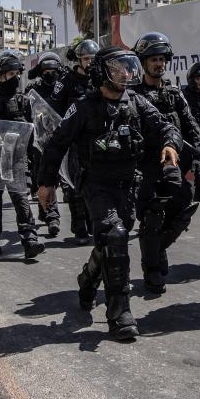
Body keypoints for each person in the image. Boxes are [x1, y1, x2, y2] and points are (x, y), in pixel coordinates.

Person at [37, 46, 179, 341]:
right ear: (102, 72)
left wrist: (169, 145)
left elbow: (166, 126)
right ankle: (119, 312)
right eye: (118, 68)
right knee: (115, 235)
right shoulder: (83, 107)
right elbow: (55, 145)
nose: (126, 73)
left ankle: (88, 280)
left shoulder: (137, 102)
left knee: (111, 240)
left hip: (128, 184)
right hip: (96, 184)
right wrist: (46, 184)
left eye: (128, 67)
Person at [131, 33, 200, 294]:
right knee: (151, 218)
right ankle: (152, 269)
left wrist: (197, 158)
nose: (158, 64)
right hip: (147, 167)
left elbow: (192, 127)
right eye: (153, 59)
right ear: (143, 62)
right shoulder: (132, 96)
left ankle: (157, 249)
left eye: (162, 59)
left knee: (183, 210)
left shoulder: (174, 94)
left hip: (175, 167)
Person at [0, 52, 46, 258]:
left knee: (21, 201)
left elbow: (34, 131)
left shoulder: (23, 101)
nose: (14, 77)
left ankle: (30, 240)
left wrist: (30, 157)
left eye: (16, 73)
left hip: (15, 159)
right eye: (10, 73)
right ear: (1, 76)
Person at [48, 39, 99, 243]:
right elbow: (53, 108)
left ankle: (96, 225)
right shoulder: (66, 80)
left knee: (95, 185)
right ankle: (79, 229)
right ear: (78, 60)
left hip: (95, 140)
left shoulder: (100, 79)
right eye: (86, 59)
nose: (89, 63)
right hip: (74, 142)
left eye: (93, 59)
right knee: (76, 187)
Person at [26, 51, 66, 233]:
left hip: (63, 139)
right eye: (46, 70)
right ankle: (49, 213)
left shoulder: (65, 89)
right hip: (40, 143)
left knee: (59, 178)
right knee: (43, 179)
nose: (50, 74)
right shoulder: (33, 92)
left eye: (53, 70)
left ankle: (51, 216)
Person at [181, 62, 200, 202]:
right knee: (184, 165)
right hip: (188, 138)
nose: (199, 81)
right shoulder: (183, 94)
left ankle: (199, 192)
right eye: (197, 78)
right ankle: (177, 190)